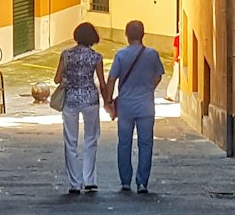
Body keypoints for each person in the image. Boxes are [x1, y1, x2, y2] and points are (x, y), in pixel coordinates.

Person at [106, 19, 165, 194]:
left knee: (124, 143)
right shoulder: (152, 54)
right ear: (143, 34)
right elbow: (158, 76)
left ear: (126, 35)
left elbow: (111, 79)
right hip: (146, 106)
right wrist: (148, 89)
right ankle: (142, 182)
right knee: (145, 144)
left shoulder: (121, 55)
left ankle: (125, 181)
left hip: (125, 106)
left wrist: (108, 100)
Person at [54, 22, 110, 195]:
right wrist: (108, 101)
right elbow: (101, 83)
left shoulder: (66, 55)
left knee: (70, 141)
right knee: (91, 139)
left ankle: (74, 183)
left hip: (70, 99)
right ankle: (90, 180)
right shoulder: (96, 57)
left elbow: (57, 79)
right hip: (90, 99)